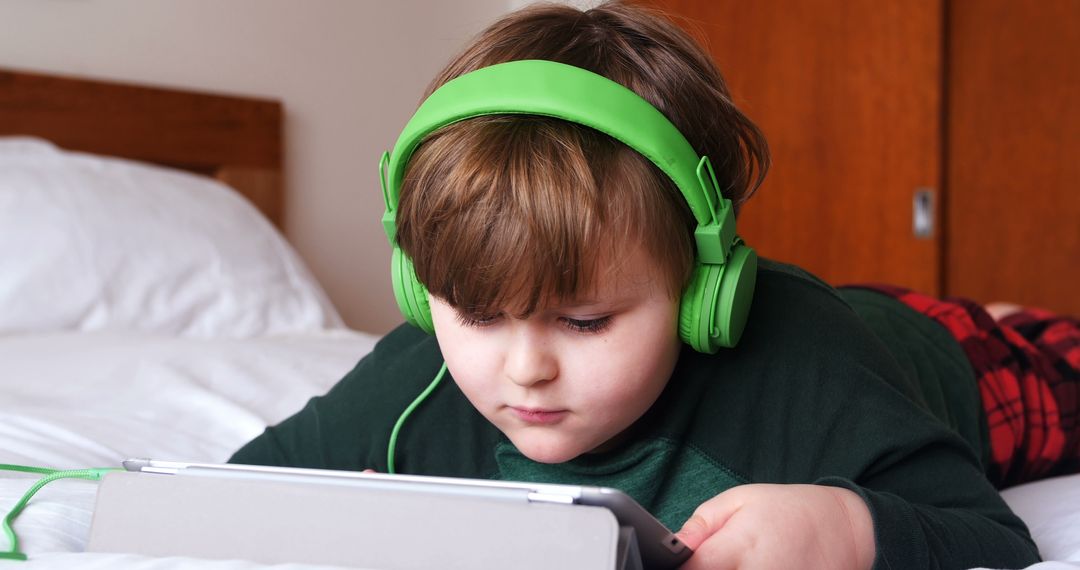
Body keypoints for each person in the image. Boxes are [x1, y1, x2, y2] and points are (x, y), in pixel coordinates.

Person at [230, 2, 1079, 568]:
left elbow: (995, 540)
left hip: (937, 360)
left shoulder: (805, 370)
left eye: (587, 321)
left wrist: (847, 527)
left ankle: (998, 318)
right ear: (422, 293)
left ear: (706, 293)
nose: (524, 369)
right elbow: (236, 488)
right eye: (479, 313)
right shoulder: (416, 378)